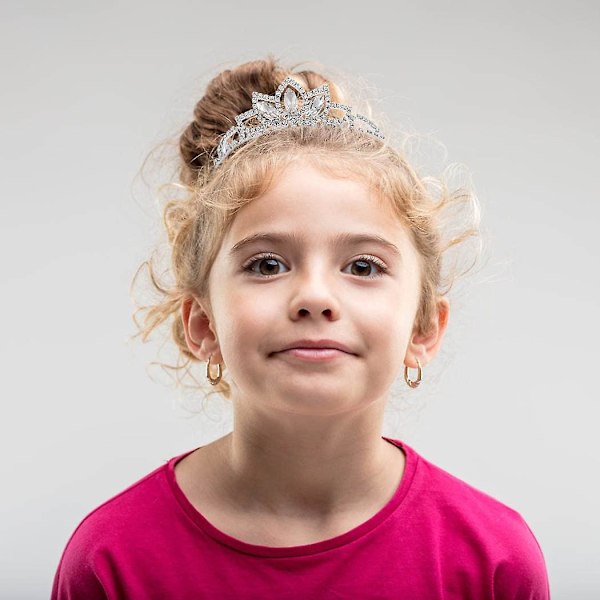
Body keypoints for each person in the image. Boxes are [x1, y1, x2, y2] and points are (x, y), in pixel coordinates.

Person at [51, 56, 551, 599]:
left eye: (363, 266)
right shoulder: (112, 560)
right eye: (267, 264)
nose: (315, 296)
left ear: (423, 329)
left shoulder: (493, 562)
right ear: (203, 324)